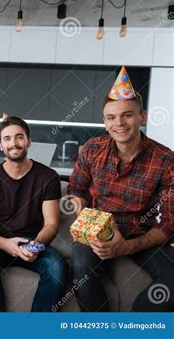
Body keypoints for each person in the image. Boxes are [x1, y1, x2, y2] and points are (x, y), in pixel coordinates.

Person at [68, 66, 173, 312]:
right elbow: (76, 189)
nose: (119, 123)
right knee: (82, 270)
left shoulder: (166, 160)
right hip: (97, 227)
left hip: (140, 232)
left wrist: (125, 247)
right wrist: (87, 220)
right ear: (105, 122)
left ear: (142, 117)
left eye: (128, 115)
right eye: (111, 117)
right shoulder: (92, 149)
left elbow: (169, 224)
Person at [0, 115, 67, 312]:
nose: (14, 143)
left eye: (19, 137)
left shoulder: (48, 177)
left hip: (31, 242)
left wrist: (35, 245)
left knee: (57, 267)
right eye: (7, 138)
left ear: (29, 141)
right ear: (0, 145)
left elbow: (51, 223)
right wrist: (3, 243)